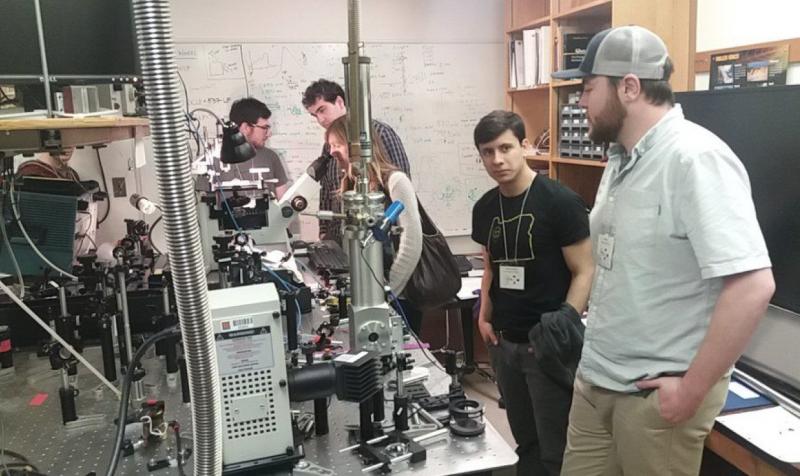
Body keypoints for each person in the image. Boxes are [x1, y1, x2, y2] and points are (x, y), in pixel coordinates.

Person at [550, 26, 775, 475]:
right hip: (597, 380)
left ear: (629, 87)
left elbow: (753, 286)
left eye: (588, 89)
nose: (580, 103)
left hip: (654, 398)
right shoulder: (619, 158)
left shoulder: (695, 158)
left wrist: (692, 390)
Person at [471, 110, 594, 475]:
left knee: (556, 447)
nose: (498, 160)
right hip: (504, 343)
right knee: (525, 441)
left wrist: (562, 325)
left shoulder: (560, 201)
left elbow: (585, 270)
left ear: (524, 146)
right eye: (487, 152)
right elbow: (491, 266)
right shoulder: (485, 208)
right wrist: (484, 314)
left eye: (506, 148)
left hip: (546, 345)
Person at [325, 115, 424, 334]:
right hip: (367, 294)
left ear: (358, 146)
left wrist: (388, 294)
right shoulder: (351, 184)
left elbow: (412, 242)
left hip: (398, 297)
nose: (332, 152)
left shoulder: (396, 181)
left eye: (337, 144)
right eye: (330, 146)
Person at [302, 79, 410, 244]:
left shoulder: (379, 133)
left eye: (322, 110)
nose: (320, 120)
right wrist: (324, 232)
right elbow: (326, 192)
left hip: (378, 241)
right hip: (341, 241)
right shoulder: (328, 147)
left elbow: (402, 189)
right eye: (315, 115)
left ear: (339, 102)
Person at [226, 97, 290, 199]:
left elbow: (284, 201)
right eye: (264, 128)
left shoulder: (271, 157)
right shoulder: (212, 161)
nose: (269, 134)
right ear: (245, 128)